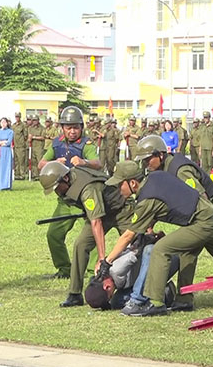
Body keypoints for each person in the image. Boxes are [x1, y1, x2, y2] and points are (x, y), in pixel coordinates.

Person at [100, 161, 213, 316]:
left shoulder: (146, 199)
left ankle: (156, 303)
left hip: (201, 223)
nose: (118, 190)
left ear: (132, 183)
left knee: (160, 249)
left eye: (119, 186)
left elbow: (127, 235)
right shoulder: (154, 178)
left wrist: (107, 261)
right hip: (211, 215)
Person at [133, 135, 213, 310]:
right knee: (188, 252)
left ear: (160, 155)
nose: (145, 164)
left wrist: (201, 225)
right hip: (196, 213)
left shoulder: (179, 170)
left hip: (210, 208)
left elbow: (200, 197)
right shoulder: (164, 168)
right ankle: (185, 298)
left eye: (147, 160)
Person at [39, 161, 135, 307]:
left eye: (57, 188)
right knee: (80, 245)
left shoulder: (86, 189)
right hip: (102, 213)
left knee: (138, 244)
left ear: (65, 178)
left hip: (121, 210)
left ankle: (140, 290)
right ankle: (75, 293)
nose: (57, 192)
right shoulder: (71, 181)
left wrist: (103, 259)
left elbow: (96, 223)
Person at [37, 106, 101, 278]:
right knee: (53, 234)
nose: (72, 131)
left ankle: (93, 270)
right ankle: (64, 269)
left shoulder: (86, 144)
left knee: (92, 234)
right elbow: (41, 164)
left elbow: (98, 163)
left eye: (75, 127)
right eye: (68, 127)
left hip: (83, 195)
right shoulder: (56, 143)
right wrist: (53, 163)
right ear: (62, 128)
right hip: (65, 199)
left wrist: (84, 161)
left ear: (81, 127)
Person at [0, 117, 14, 191]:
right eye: (2, 122)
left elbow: (9, 142)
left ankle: (7, 185)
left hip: (7, 151)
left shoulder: (10, 132)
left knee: (7, 168)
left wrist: (1, 142)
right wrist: (2, 142)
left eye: (5, 122)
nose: (3, 124)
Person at [11, 112, 28, 180]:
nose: (17, 118)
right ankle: (16, 174)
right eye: (16, 117)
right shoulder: (13, 126)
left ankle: (22, 174)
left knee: (21, 161)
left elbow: (25, 135)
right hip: (14, 145)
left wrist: (22, 142)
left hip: (21, 145)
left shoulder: (23, 125)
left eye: (18, 117)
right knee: (16, 161)